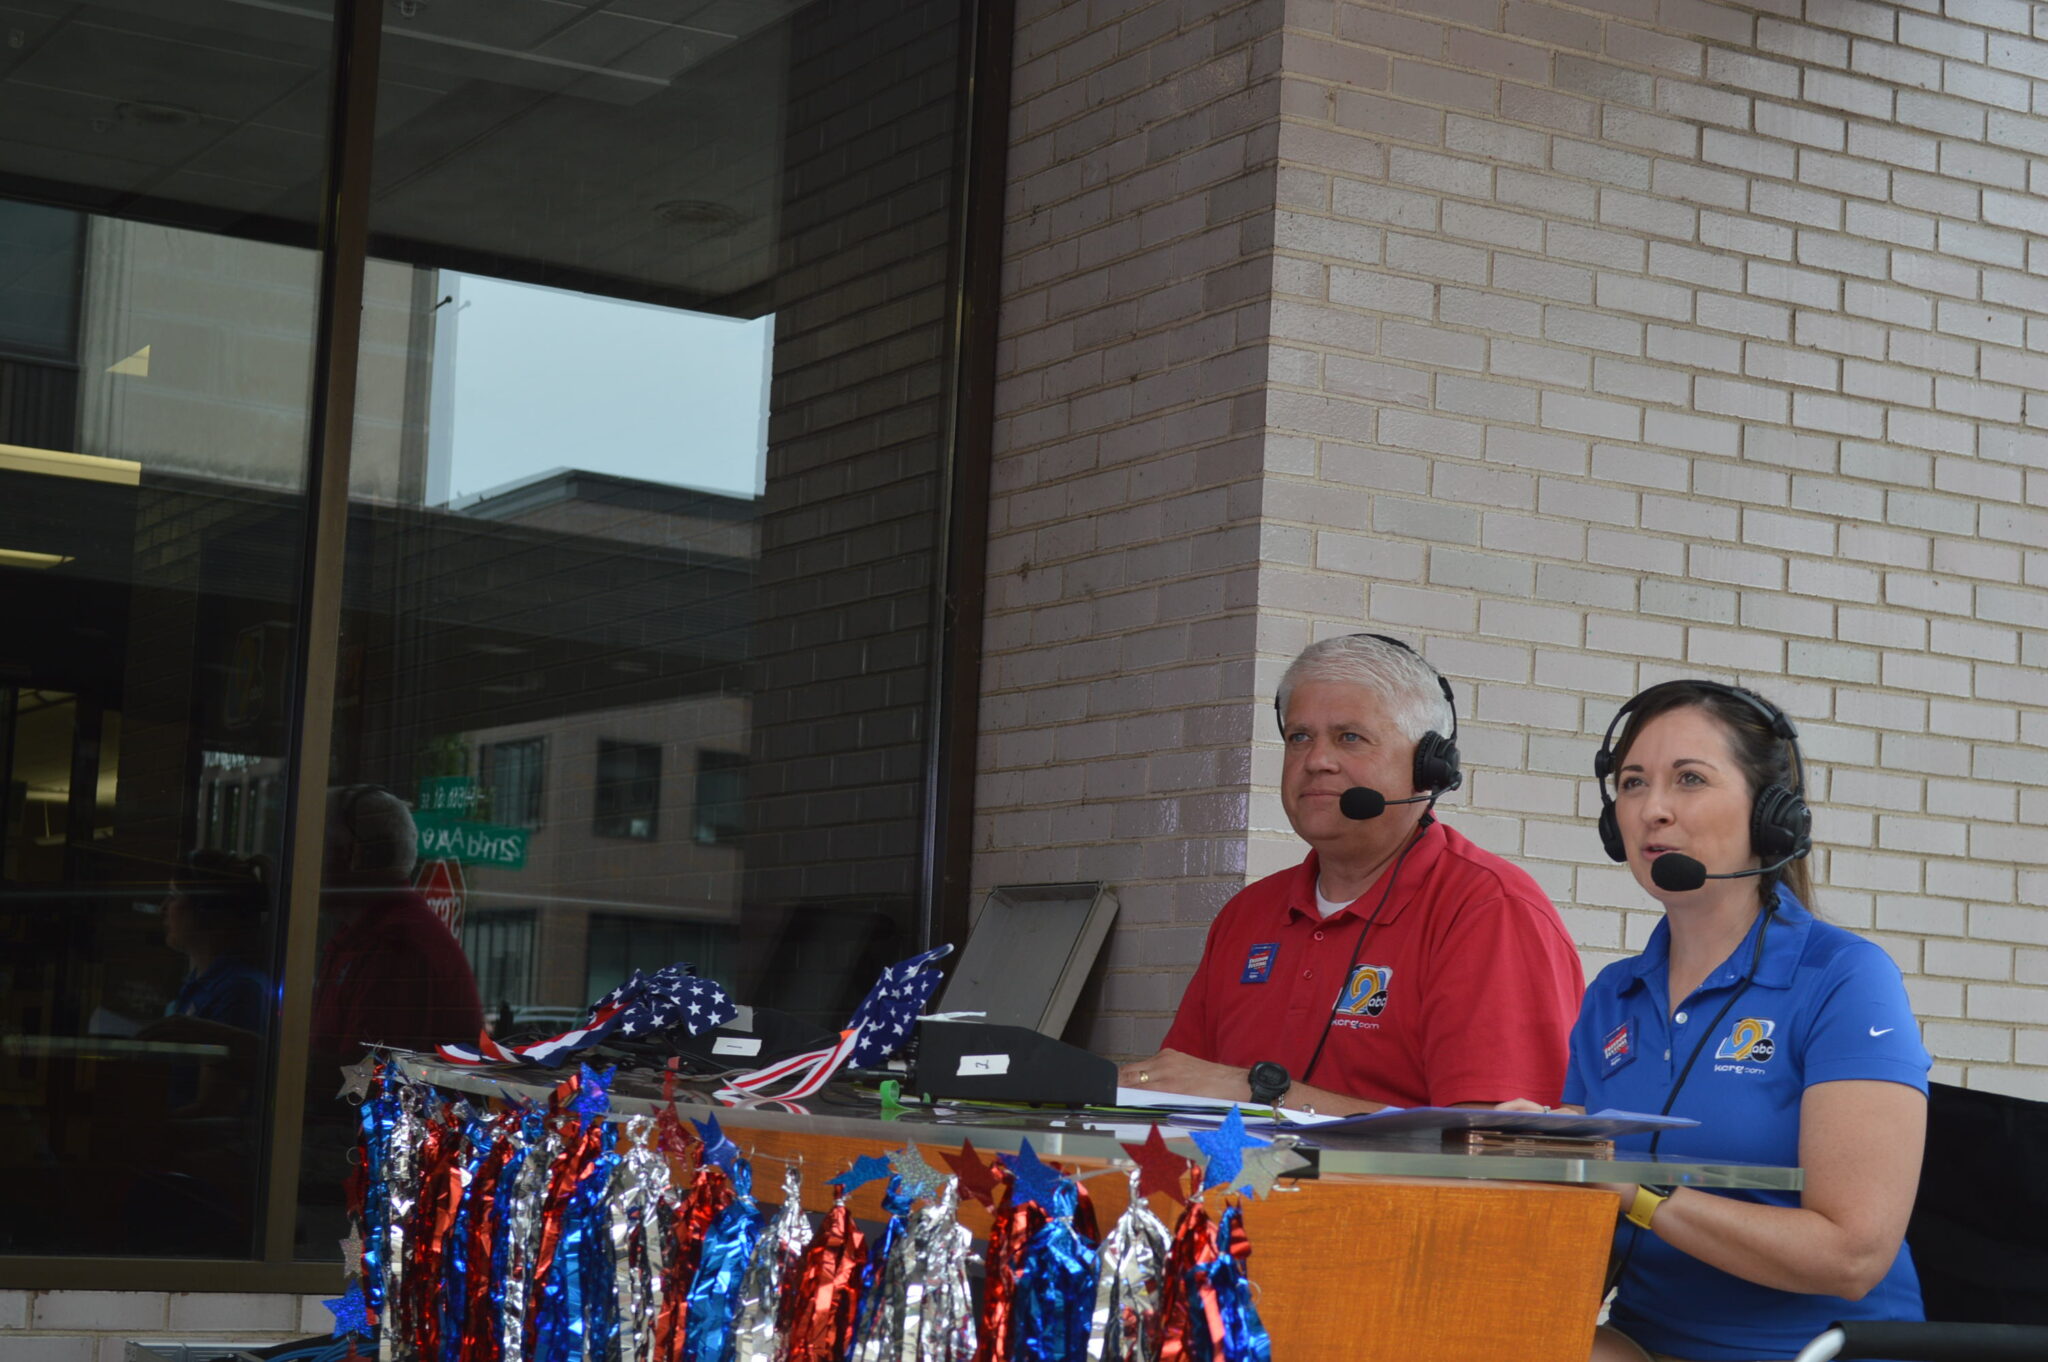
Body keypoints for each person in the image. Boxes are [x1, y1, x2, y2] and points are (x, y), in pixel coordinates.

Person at [1523, 680, 1928, 1362]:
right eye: (1632, 783)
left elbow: (1852, 1256)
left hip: (1819, 1351)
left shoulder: (1845, 978)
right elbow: (1585, 1224)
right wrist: (1524, 1152)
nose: (1652, 809)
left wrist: (1635, 1190)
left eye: (1689, 779)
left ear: (1771, 815)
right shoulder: (1613, 995)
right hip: (1643, 1344)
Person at [1118, 633, 1584, 1114]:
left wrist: (1258, 1094)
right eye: (1299, 737)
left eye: (1350, 737)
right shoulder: (1246, 914)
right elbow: (1178, 1097)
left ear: (1428, 767)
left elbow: (1492, 1140)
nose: (1316, 761)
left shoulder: (1490, 911)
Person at [310, 784, 484, 1067]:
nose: (304, 861)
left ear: (358, 856)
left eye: (317, 846)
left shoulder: (396, 948)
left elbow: (362, 1079)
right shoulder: (363, 936)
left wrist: (257, 1058)